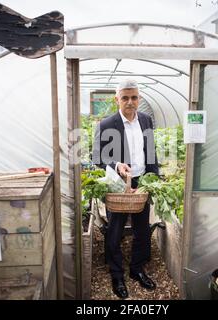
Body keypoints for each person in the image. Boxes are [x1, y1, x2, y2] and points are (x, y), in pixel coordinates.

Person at [92, 79, 159, 299]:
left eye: (134, 97)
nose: (130, 102)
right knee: (115, 230)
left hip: (142, 182)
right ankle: (117, 274)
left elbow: (151, 150)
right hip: (119, 184)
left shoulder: (147, 120)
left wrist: (154, 178)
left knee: (142, 229)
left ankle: (137, 269)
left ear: (139, 98)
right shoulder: (106, 124)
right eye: (125, 98)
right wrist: (116, 164)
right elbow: (97, 157)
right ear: (117, 99)